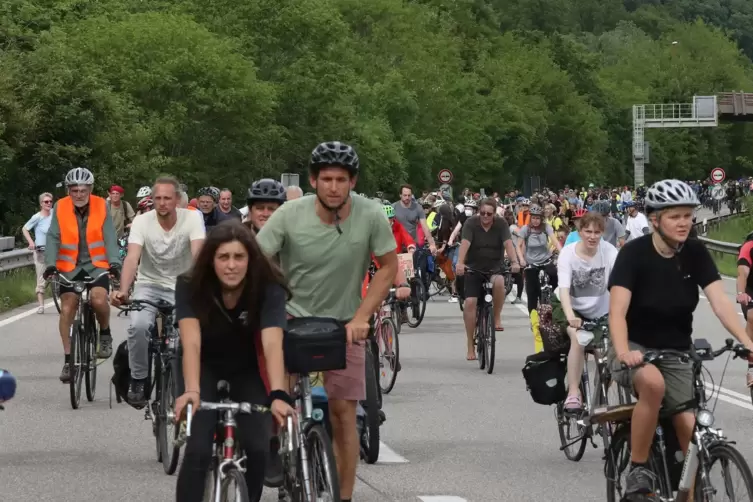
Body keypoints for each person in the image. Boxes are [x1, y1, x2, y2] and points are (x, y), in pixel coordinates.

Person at [256, 141, 397, 502]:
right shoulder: (288, 214)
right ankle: (279, 446)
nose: (334, 187)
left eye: (341, 179)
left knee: (343, 414)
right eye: (326, 179)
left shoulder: (369, 215)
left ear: (352, 181)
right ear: (313, 181)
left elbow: (388, 268)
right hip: (291, 318)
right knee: (280, 398)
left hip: (345, 324)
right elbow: (255, 258)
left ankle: (344, 496)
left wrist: (363, 317)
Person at [608, 179, 753, 500]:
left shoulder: (695, 253)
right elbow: (617, 312)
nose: (684, 222)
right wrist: (622, 352)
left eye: (688, 215)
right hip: (633, 346)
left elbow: (720, 303)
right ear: (654, 220)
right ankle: (639, 466)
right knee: (653, 385)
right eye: (675, 216)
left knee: (690, 433)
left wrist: (747, 341)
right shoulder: (633, 255)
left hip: (676, 352)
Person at [173, 221, 294, 502]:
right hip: (202, 364)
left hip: (246, 367)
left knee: (258, 447)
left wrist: (278, 394)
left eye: (239, 257)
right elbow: (191, 342)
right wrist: (191, 391)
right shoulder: (191, 285)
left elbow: (272, 342)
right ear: (211, 260)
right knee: (198, 449)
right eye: (223, 257)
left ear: (250, 260)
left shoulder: (268, 287)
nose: (231, 265)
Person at [111, 176, 206, 406]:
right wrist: (123, 290)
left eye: (167, 198)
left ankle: (188, 383)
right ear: (152, 200)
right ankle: (139, 379)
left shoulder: (192, 218)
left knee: (188, 335)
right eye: (158, 198)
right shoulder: (143, 222)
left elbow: (199, 254)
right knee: (138, 325)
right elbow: (132, 258)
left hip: (182, 285)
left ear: (177, 200)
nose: (162, 203)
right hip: (149, 284)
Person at [43, 167, 120, 382]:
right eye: (74, 190)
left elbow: (109, 237)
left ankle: (104, 333)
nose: (79, 194)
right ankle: (69, 360)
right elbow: (53, 237)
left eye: (83, 189)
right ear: (68, 190)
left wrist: (114, 263)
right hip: (69, 266)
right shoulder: (60, 206)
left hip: (97, 264)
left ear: (90, 189)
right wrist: (50, 265)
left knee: (97, 299)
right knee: (67, 307)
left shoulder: (101, 205)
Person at [556, 212, 617, 410]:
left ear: (602, 233)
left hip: (600, 311)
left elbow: (620, 285)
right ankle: (574, 392)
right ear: (580, 232)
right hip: (570, 307)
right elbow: (564, 289)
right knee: (578, 338)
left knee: (608, 351)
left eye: (597, 232)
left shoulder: (609, 252)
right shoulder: (568, 253)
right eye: (588, 231)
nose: (592, 236)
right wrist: (571, 317)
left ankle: (602, 398)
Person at [456, 198, 521, 360]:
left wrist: (514, 262)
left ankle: (496, 316)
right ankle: (470, 344)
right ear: (479, 212)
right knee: (470, 302)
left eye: (489, 214)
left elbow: (508, 243)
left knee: (499, 282)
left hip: (494, 266)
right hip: (474, 267)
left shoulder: (501, 224)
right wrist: (460, 263)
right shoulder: (471, 223)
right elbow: (465, 243)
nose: (485, 216)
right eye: (483, 213)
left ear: (494, 214)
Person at [518, 205, 561, 313]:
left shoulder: (546, 227)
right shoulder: (525, 229)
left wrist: (563, 253)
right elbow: (518, 246)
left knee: (555, 275)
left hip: (546, 259)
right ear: (530, 218)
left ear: (541, 219)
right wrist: (521, 259)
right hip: (531, 262)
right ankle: (533, 318)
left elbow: (555, 241)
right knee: (532, 292)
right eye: (533, 218)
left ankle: (553, 303)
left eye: (538, 218)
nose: (536, 221)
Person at [23, 192, 54, 314]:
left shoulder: (55, 215)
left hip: (54, 249)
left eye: (50, 201)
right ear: (41, 204)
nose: (49, 204)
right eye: (46, 202)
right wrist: (31, 242)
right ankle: (41, 305)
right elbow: (25, 228)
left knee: (63, 272)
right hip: (41, 250)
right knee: (41, 276)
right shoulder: (37, 217)